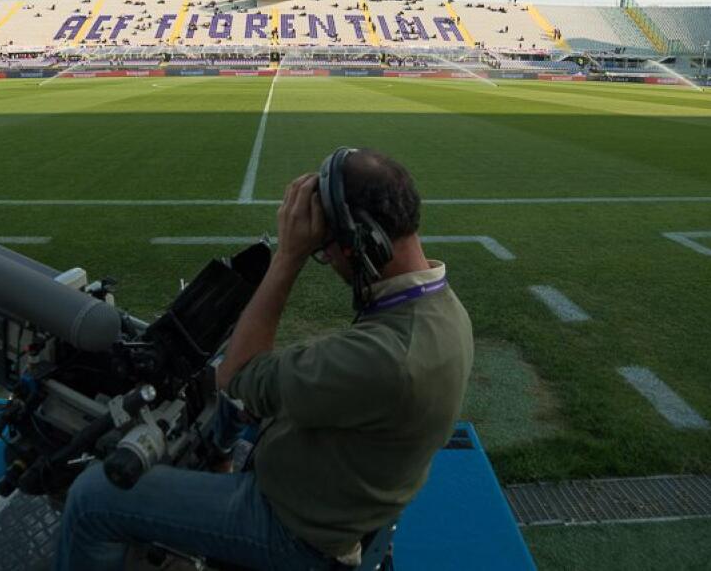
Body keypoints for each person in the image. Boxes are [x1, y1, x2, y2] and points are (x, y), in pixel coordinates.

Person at [55, 148, 474, 571]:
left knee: (93, 498)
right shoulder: (443, 309)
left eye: (326, 246)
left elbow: (236, 375)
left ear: (367, 241)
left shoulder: (386, 359)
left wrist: (289, 256)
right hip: (344, 487)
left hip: (297, 532)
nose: (327, 258)